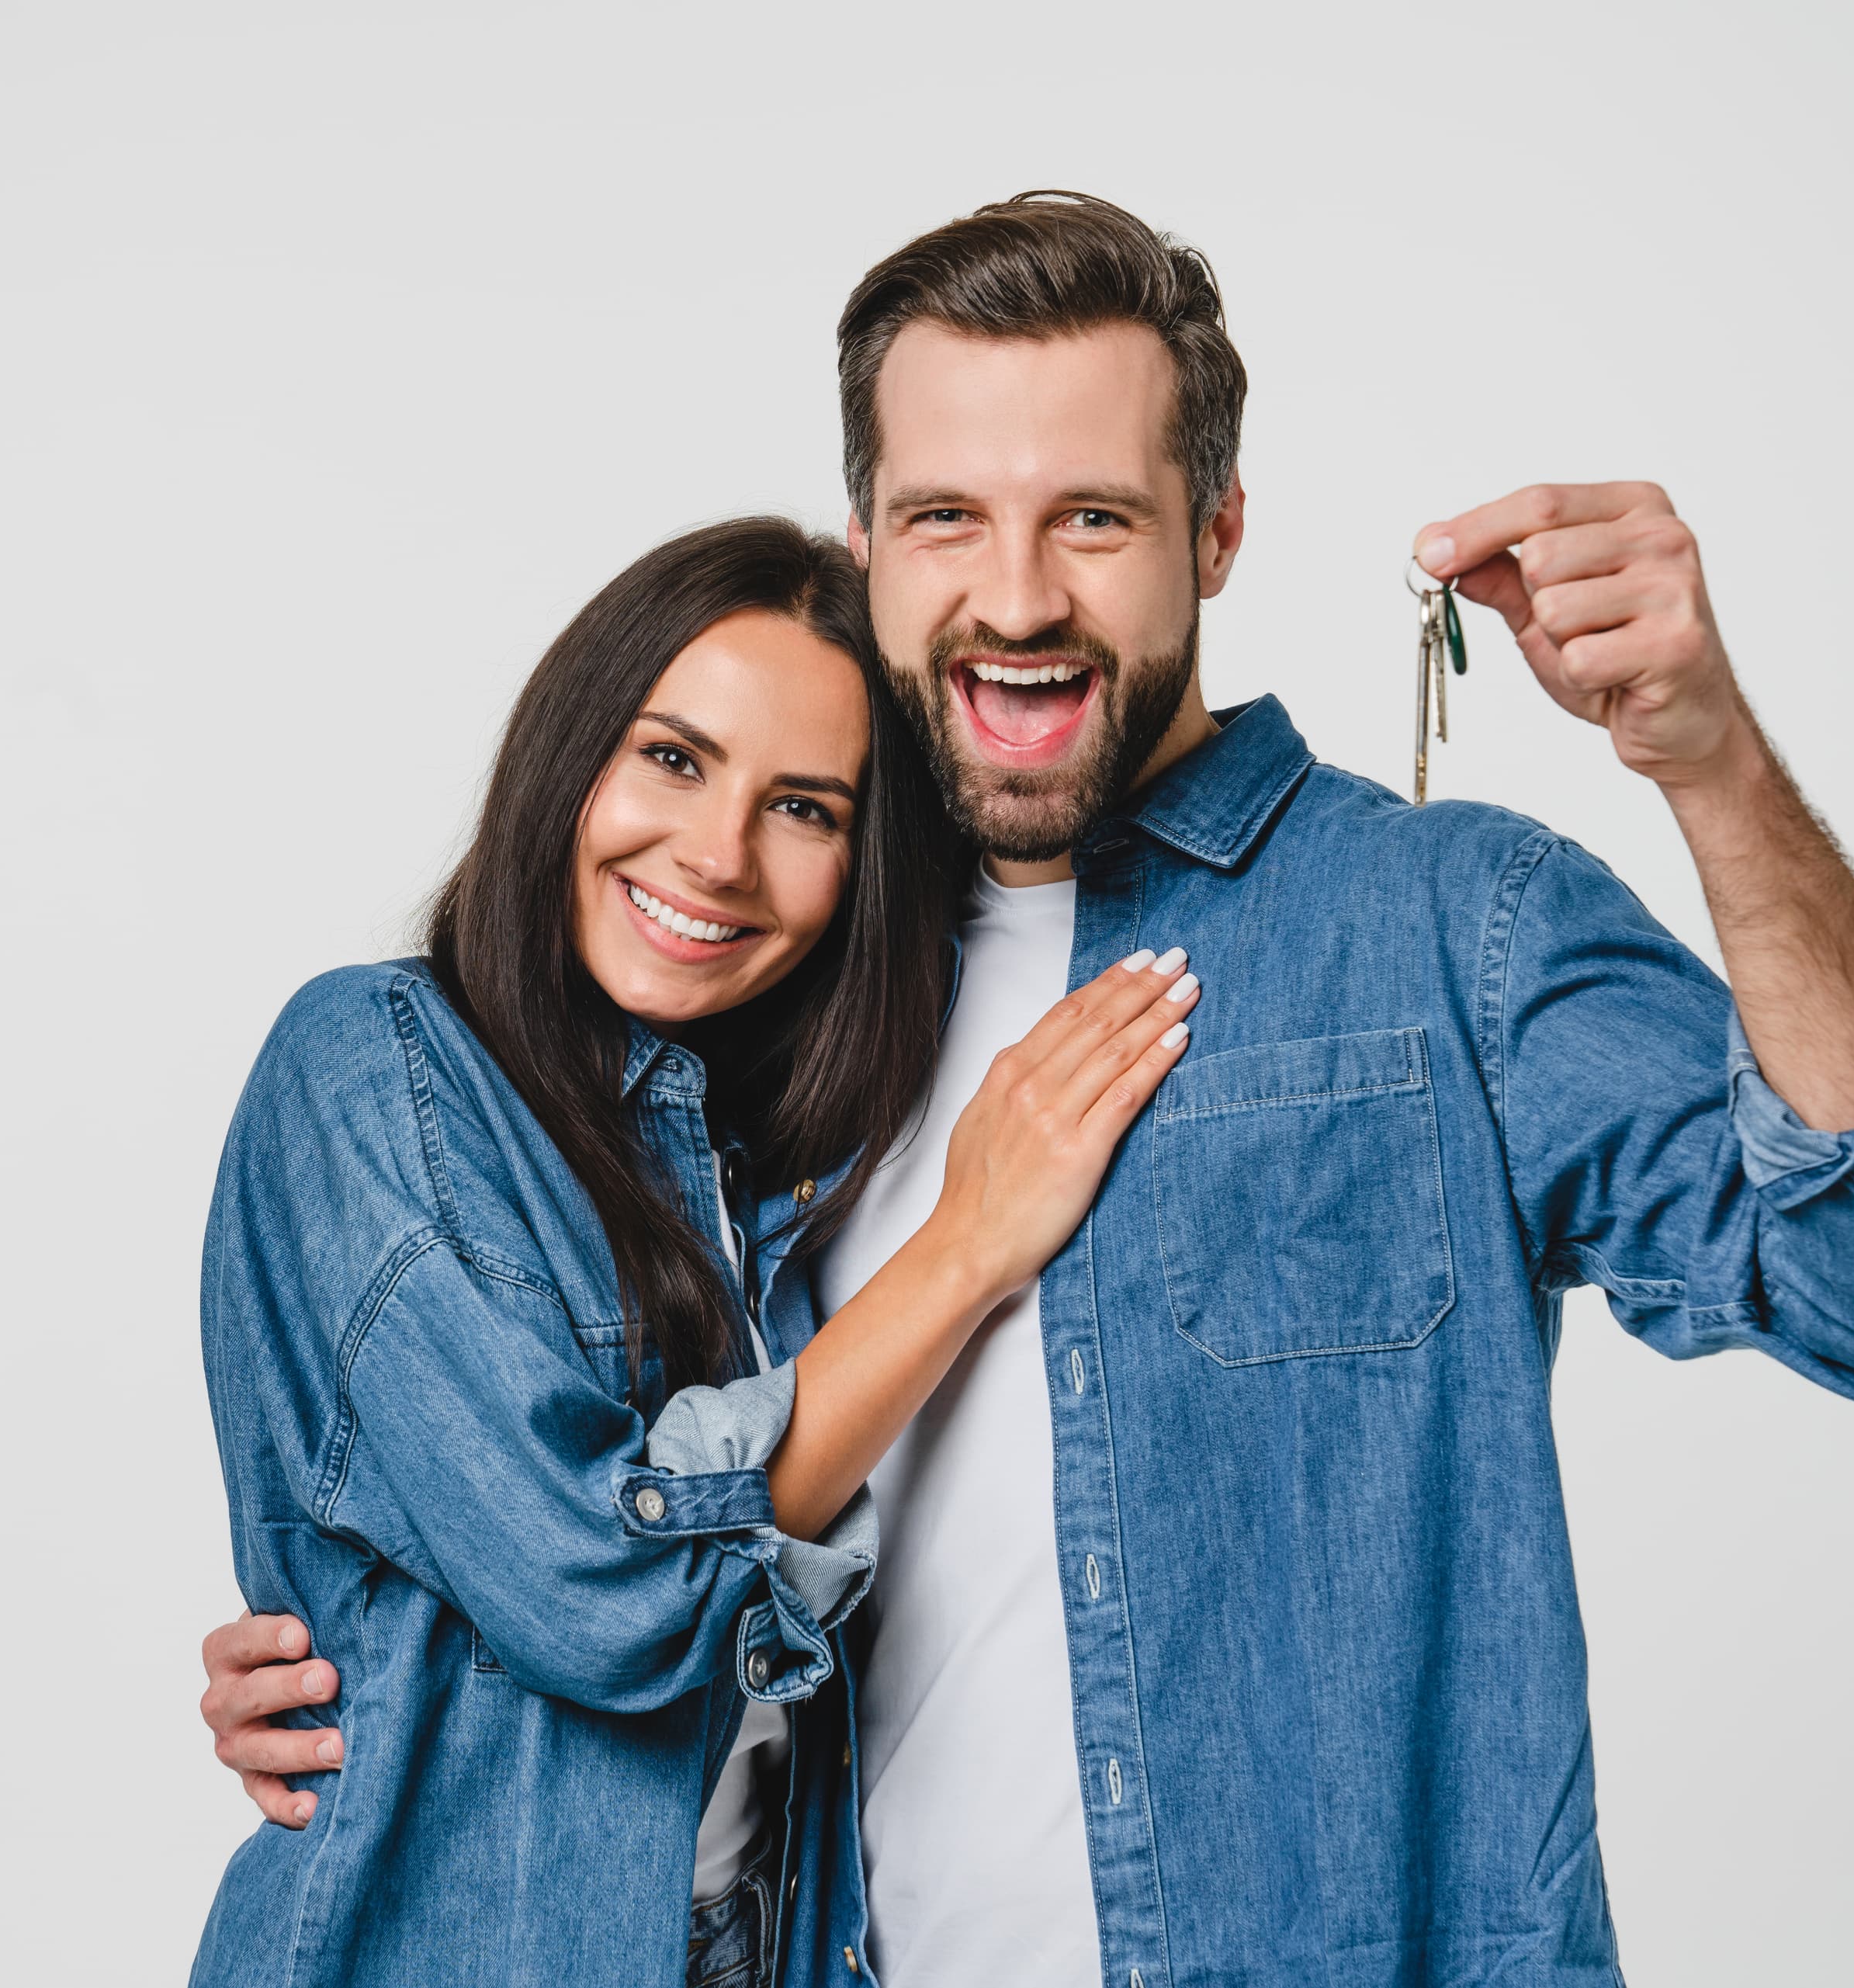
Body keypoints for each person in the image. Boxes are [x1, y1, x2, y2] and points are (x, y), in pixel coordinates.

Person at [204, 196, 1854, 1986]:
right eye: (947, 517)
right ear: (869, 542)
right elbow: (598, 1526)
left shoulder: (1437, 925)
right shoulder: (765, 979)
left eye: (1092, 517)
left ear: (1219, 531)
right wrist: (383, 1658)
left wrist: (1710, 763)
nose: (1017, 597)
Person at [188, 514, 1207, 1988]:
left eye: (805, 807)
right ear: (570, 751)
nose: (718, 856)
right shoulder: (370, 1064)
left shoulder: (765, 1181)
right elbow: (599, 1585)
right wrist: (968, 1243)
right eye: (673, 758)